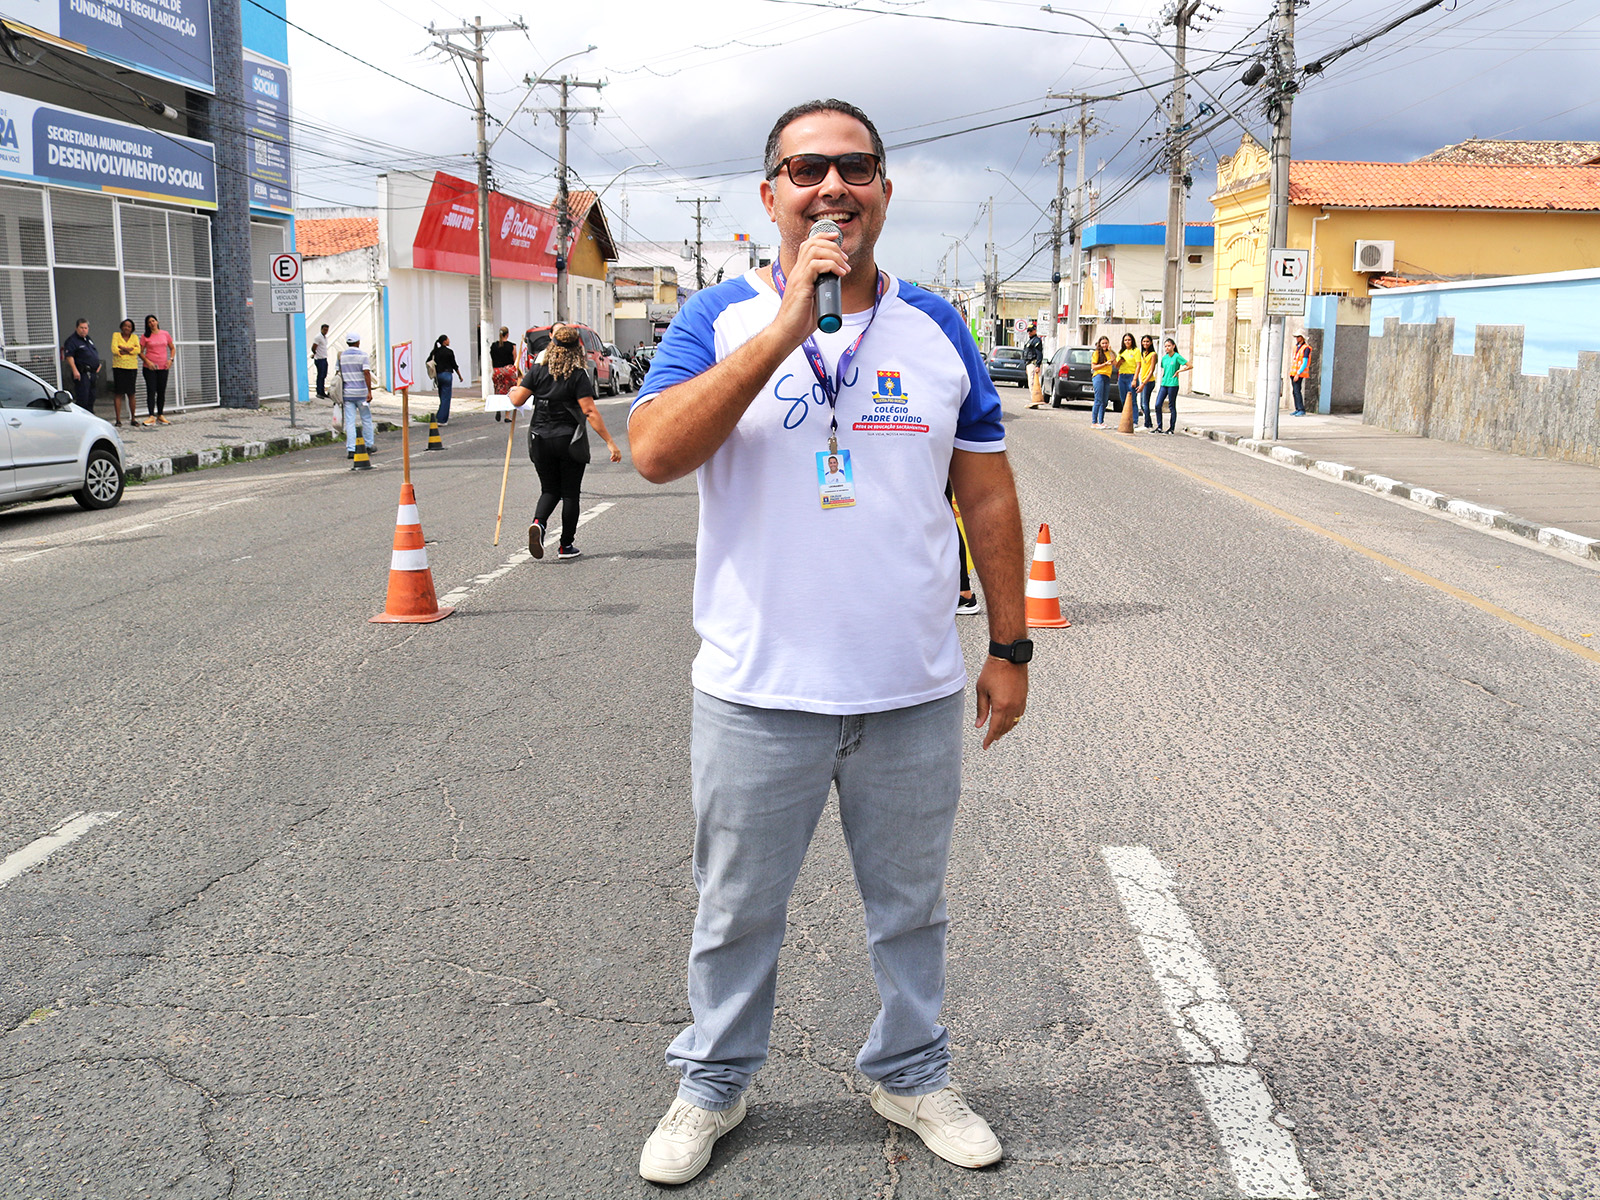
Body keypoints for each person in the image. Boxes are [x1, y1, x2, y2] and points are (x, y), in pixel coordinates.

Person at [627, 98, 1027, 1186]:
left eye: (856, 167)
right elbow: (654, 452)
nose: (832, 187)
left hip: (909, 691)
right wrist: (786, 328)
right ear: (771, 195)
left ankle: (911, 1072)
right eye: (807, 169)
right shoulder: (718, 316)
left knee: (911, 911)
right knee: (735, 912)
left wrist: (1011, 646)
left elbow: (987, 494)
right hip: (758, 693)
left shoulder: (937, 328)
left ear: (886, 191)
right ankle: (713, 1083)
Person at [508, 324, 620, 560]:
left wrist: (512, 391)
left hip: (539, 438)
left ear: (552, 345)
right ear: (577, 348)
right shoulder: (577, 374)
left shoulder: (538, 370)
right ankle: (565, 546)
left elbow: (518, 399)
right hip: (568, 440)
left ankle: (538, 523)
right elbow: (589, 411)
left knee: (549, 489)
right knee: (570, 493)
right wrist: (610, 442)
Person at [339, 333, 375, 458]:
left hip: (347, 394)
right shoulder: (363, 355)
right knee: (366, 419)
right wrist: (369, 391)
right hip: (361, 393)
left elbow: (338, 373)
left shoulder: (341, 356)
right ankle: (369, 445)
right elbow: (366, 373)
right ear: (358, 342)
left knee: (350, 422)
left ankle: (351, 449)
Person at [140, 315, 175, 425]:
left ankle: (160, 414)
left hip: (163, 367)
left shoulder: (165, 334)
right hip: (150, 368)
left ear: (157, 322)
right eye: (149, 322)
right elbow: (140, 352)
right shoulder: (145, 336)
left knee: (161, 391)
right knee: (151, 390)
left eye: (153, 321)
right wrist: (148, 362)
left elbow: (172, 348)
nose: (152, 323)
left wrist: (171, 360)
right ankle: (151, 415)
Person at [61, 319, 100, 413]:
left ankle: (90, 414)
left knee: (92, 396)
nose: (83, 330)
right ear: (77, 328)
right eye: (81, 328)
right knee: (83, 398)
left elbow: (93, 353)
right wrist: (75, 370)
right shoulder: (72, 341)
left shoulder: (88, 339)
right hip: (81, 373)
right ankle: (82, 416)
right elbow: (69, 356)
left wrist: (98, 364)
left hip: (92, 373)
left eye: (85, 328)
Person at [1155, 337, 1191, 434]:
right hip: (1164, 383)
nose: (1167, 348)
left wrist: (1179, 371)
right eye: (1166, 346)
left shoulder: (1177, 356)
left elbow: (1189, 365)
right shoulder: (1164, 358)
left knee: (1171, 405)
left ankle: (1171, 428)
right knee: (1158, 404)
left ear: (1173, 346)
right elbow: (1164, 369)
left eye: (1169, 346)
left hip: (1173, 384)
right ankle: (1159, 427)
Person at [110, 318, 142, 428]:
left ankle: (133, 418)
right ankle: (118, 419)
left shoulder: (135, 337)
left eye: (129, 326)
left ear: (132, 328)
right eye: (125, 326)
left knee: (131, 393)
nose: (127, 328)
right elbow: (114, 349)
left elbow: (138, 350)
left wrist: (123, 348)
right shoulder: (116, 335)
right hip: (119, 367)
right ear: (121, 327)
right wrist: (130, 350)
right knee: (118, 393)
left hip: (131, 368)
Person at [425, 335, 463, 424]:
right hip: (447, 375)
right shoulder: (449, 352)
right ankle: (442, 419)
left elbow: (428, 361)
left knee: (442, 396)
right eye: (447, 339)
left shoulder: (435, 351)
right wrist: (460, 376)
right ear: (444, 341)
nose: (449, 341)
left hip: (438, 376)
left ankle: (440, 415)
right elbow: (454, 365)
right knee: (446, 398)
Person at [490, 326, 518, 422]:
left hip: (497, 371)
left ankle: (498, 408)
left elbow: (492, 359)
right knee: (509, 392)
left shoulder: (493, 346)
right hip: (508, 371)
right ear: (507, 334)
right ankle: (507, 415)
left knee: (498, 390)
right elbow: (515, 360)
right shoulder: (512, 346)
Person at [1089, 335, 1115, 427]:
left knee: (1105, 401)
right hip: (1099, 376)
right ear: (1100, 344)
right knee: (1098, 399)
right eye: (1103, 343)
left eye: (1106, 343)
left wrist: (1111, 351)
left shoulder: (1109, 352)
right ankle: (1094, 422)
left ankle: (1101, 421)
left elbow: (1114, 361)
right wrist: (1105, 364)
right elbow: (1094, 367)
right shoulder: (1097, 353)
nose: (1105, 345)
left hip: (1107, 377)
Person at [1115, 333, 1140, 420]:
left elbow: (1138, 365)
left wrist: (1135, 379)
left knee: (1132, 400)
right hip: (1122, 376)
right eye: (1125, 340)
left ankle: (1134, 420)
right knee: (1123, 399)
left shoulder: (1136, 351)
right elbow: (1116, 366)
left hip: (1131, 376)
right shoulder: (1121, 352)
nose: (1127, 342)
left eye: (1129, 340)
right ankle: (1126, 420)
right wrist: (1120, 361)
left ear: (1132, 341)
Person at [1136, 334, 1158, 430]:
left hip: (1149, 382)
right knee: (1142, 404)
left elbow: (1151, 370)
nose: (1145, 343)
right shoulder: (1143, 353)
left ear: (1151, 342)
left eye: (1147, 341)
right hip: (1143, 381)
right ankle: (1148, 422)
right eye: (1144, 341)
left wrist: (1144, 383)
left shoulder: (1153, 354)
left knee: (1145, 404)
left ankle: (1147, 424)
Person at [1023, 321, 1045, 409]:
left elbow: (1039, 353)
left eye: (1031, 330)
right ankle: (1034, 401)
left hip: (1033, 363)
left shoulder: (1036, 341)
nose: (1029, 332)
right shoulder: (1030, 340)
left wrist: (1038, 365)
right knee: (1030, 383)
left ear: (1035, 330)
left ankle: (1035, 402)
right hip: (1029, 364)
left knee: (1032, 383)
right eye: (1028, 330)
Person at [1290, 333, 1312, 415]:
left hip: (1299, 373)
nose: (1297, 338)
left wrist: (1298, 373)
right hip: (1293, 372)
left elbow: (1305, 362)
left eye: (1298, 337)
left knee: (1297, 391)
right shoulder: (1296, 347)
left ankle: (1301, 409)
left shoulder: (1306, 348)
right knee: (1294, 391)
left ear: (1302, 338)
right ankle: (1297, 408)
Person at [312, 324, 330, 399]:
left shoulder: (324, 337)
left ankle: (322, 391)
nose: (325, 331)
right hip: (319, 359)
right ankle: (319, 392)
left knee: (323, 375)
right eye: (324, 330)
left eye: (327, 330)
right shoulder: (318, 337)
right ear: (321, 329)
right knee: (320, 376)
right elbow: (313, 347)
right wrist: (315, 353)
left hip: (324, 358)